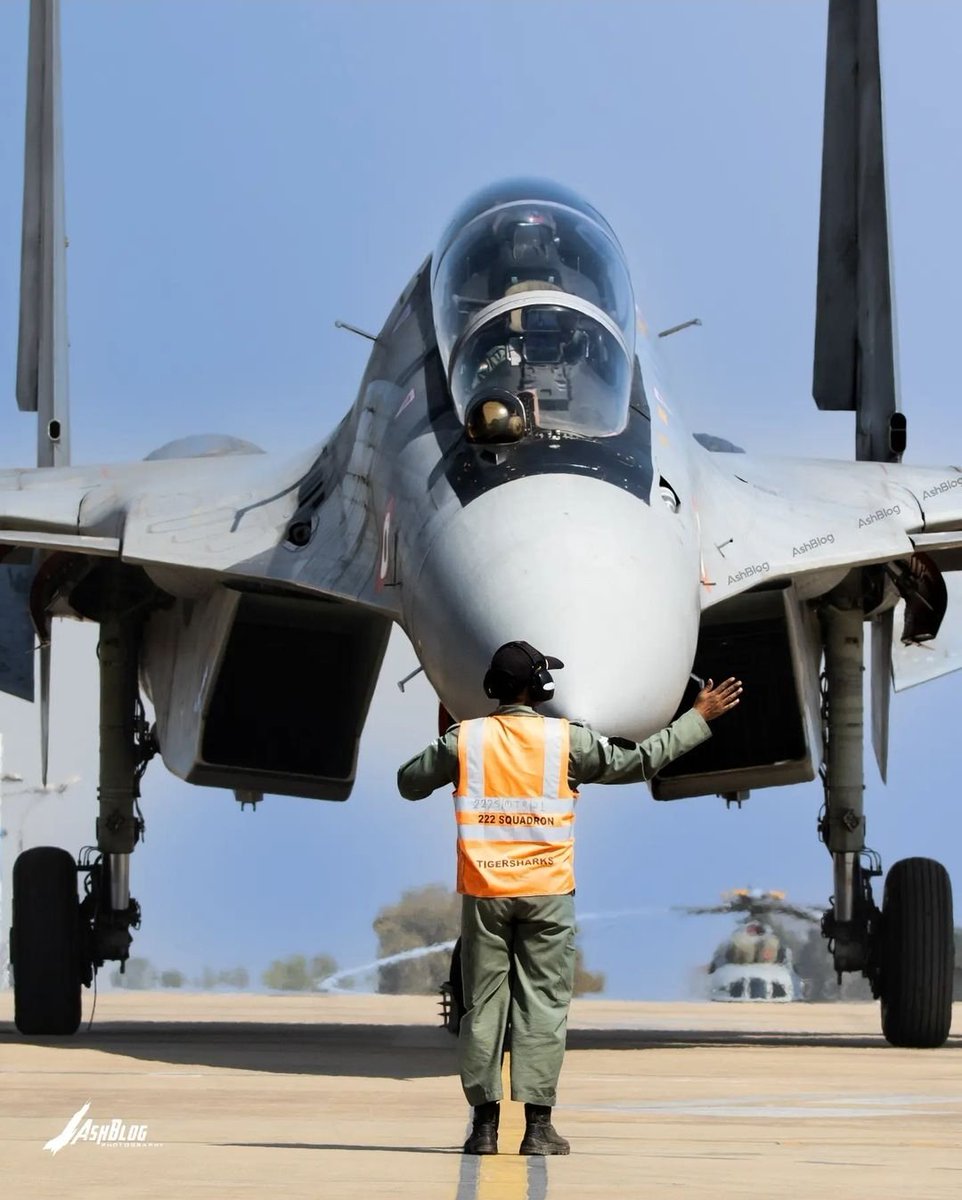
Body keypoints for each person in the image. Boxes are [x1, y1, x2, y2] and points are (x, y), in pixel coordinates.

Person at [396, 641, 742, 1157]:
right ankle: (537, 1130)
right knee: (543, 1006)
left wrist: (450, 744)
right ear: (538, 688)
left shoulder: (465, 740)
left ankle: (484, 1129)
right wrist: (697, 716)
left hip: (487, 894)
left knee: (482, 1007)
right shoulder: (566, 742)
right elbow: (641, 761)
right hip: (547, 893)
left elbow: (408, 783)